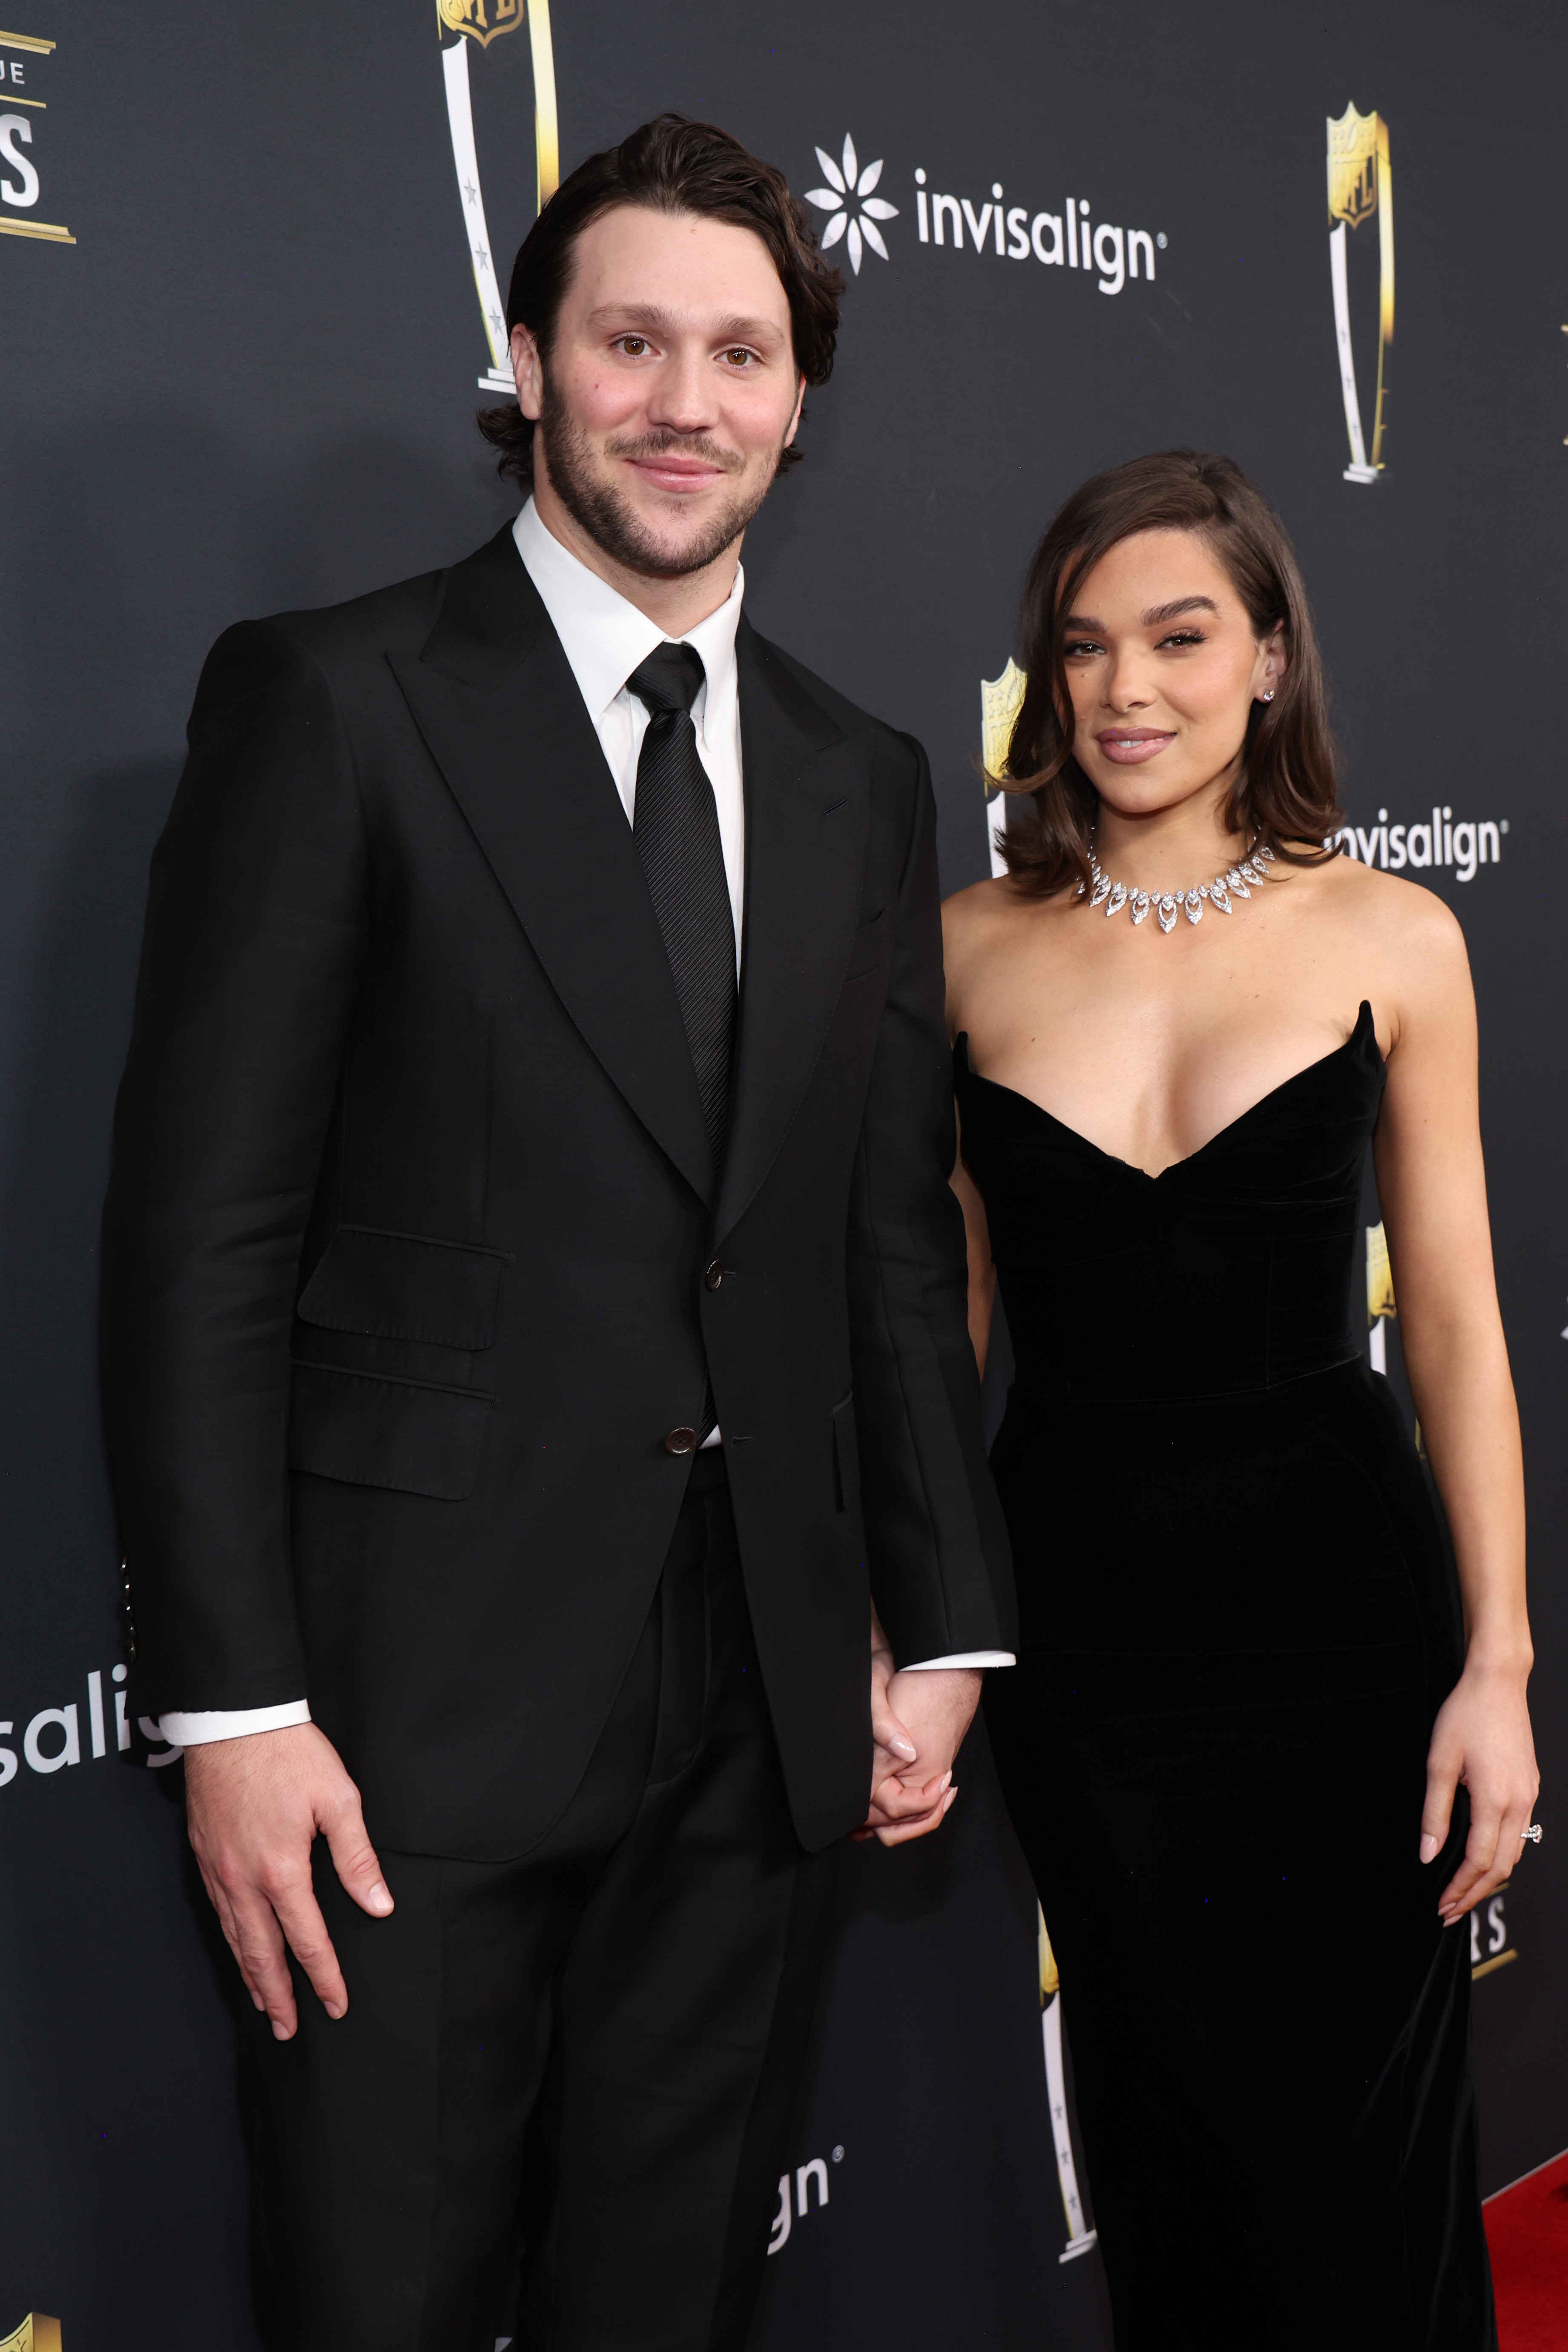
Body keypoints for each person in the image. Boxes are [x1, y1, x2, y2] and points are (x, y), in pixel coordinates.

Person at [99, 115, 1014, 2352]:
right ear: (529, 359)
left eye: (739, 350)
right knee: (380, 2306)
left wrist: (944, 1621)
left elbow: (882, 1235)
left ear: (801, 399)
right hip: (395, 1733)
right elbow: (201, 1235)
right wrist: (233, 1703)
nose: (683, 400)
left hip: (754, 1715)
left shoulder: (859, 772)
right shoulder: (334, 701)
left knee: (668, 2299)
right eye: (630, 340)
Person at [943, 449, 1538, 2350]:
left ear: (1269, 658)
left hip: (1344, 1642)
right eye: (1086, 646)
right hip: (1086, 1653)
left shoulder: (1392, 936)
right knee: (1170, 2138)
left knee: (1371, 2158)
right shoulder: (960, 953)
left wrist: (1501, 1666)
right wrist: (921, 1625)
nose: (1128, 688)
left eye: (1182, 637)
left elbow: (1451, 1321)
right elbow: (940, 1338)